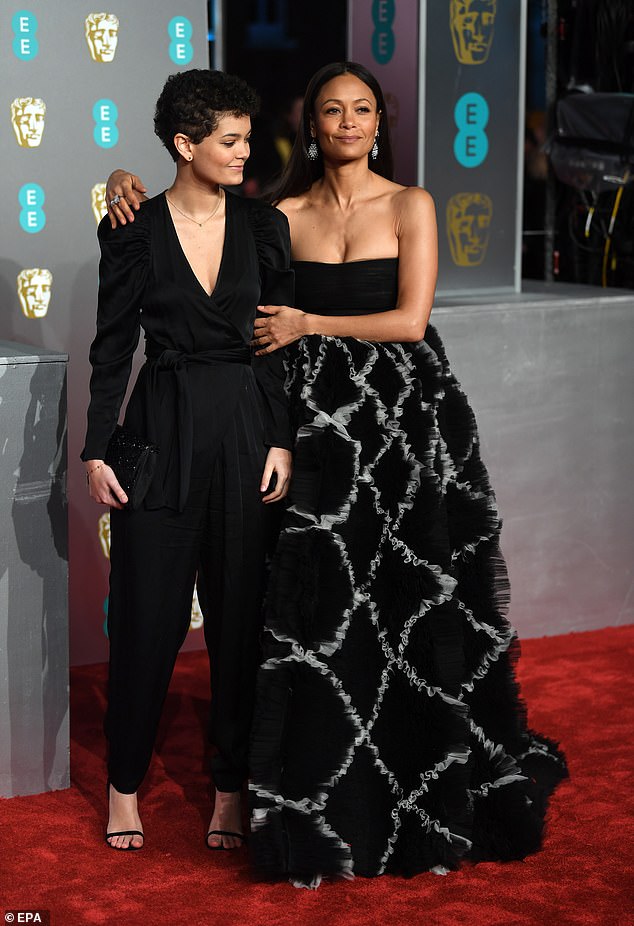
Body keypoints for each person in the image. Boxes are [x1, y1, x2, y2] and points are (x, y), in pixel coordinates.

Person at [105, 61, 568, 885]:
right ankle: (285, 777)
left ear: (379, 122)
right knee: (303, 616)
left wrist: (310, 325)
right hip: (298, 425)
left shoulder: (404, 204)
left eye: (362, 109)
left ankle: (385, 768)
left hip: (381, 423)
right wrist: (119, 182)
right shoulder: (276, 213)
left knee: (393, 600)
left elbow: (411, 318)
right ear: (310, 126)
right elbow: (174, 297)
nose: (348, 122)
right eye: (331, 111)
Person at [83, 69, 293, 852]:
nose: (245, 152)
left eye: (245, 138)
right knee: (147, 617)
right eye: (230, 141)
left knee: (241, 622)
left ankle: (230, 786)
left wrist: (280, 436)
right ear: (185, 144)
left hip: (244, 429)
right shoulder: (133, 230)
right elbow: (111, 346)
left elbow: (274, 344)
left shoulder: (265, 226)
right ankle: (125, 783)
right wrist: (98, 446)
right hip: (161, 430)